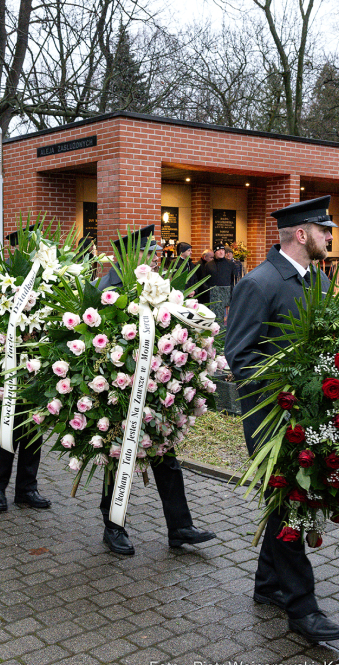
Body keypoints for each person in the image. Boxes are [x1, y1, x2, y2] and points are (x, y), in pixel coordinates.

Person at [225, 195, 339, 644]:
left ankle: (268, 584)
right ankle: (302, 608)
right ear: (302, 234)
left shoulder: (320, 281)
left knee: (286, 503)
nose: (331, 237)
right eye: (325, 230)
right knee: (290, 503)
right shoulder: (259, 284)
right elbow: (239, 357)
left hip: (311, 415)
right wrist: (288, 391)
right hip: (274, 420)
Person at [96, 225, 216, 556]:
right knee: (116, 458)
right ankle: (113, 525)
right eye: (149, 253)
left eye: (155, 252)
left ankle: (179, 527)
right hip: (122, 392)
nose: (155, 258)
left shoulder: (156, 284)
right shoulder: (113, 284)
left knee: (164, 454)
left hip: (154, 385)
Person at [0, 228, 52, 512]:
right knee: (8, 431)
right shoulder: (4, 276)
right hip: (10, 366)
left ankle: (27, 488)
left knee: (34, 430)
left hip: (39, 366)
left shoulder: (49, 277)